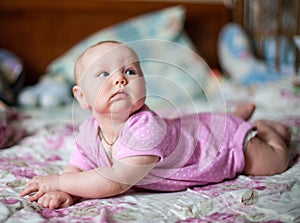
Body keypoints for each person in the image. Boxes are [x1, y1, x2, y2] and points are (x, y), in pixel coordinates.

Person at [20, 41, 290, 209]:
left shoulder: (147, 128)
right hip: (192, 131)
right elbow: (81, 167)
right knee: (200, 125)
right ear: (81, 97)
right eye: (103, 74)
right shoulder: (89, 131)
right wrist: (66, 190)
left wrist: (59, 181)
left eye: (130, 71)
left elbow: (115, 180)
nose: (120, 80)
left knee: (274, 163)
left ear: (144, 85)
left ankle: (266, 129)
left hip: (222, 146)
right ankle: (233, 116)